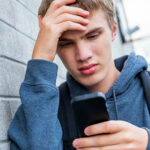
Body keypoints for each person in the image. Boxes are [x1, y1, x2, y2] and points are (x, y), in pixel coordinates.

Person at [8, 0, 150, 149]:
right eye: (66, 43)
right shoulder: (42, 106)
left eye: (92, 36)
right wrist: (41, 60)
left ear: (114, 30)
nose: (83, 55)